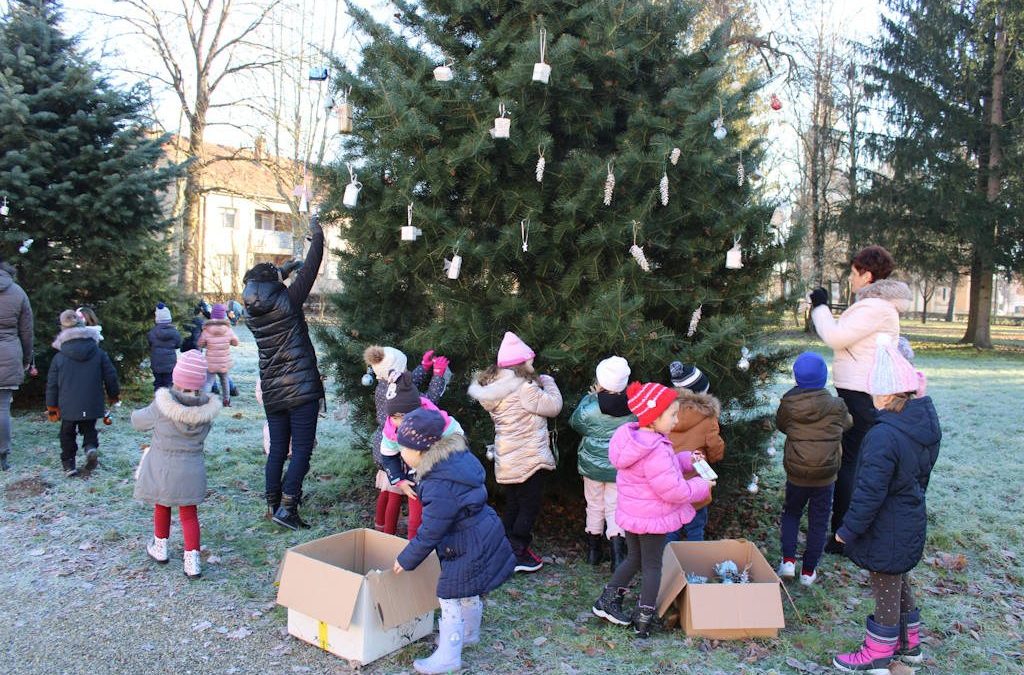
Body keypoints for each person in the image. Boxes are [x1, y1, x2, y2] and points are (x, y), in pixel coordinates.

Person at [832, 334, 940, 672]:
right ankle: (910, 644)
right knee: (897, 577)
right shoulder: (923, 422)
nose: (871, 399)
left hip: (886, 525)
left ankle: (877, 652)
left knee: (885, 588)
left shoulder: (882, 435)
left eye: (874, 392)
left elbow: (869, 492)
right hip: (909, 515)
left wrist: (847, 530)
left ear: (888, 393)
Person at [391, 408, 516, 675]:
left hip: (466, 544)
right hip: (481, 532)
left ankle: (449, 655)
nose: (401, 454)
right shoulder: (455, 459)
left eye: (403, 449)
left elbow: (430, 531)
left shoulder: (438, 484)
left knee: (449, 596)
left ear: (421, 450)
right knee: (468, 590)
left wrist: (406, 558)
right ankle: (469, 633)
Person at [809, 245, 912, 554]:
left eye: (853, 274)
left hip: (862, 392)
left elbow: (837, 336)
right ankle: (853, 528)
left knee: (853, 463)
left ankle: (844, 535)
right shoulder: (876, 305)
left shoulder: (875, 307)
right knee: (857, 459)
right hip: (861, 390)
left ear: (867, 275)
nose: (850, 279)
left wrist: (820, 306)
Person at [591, 381, 713, 638]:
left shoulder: (638, 440)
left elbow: (664, 469)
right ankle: (643, 618)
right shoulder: (655, 449)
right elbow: (674, 490)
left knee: (634, 558)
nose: (676, 419)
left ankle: (607, 600)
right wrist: (702, 485)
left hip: (634, 515)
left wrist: (687, 459)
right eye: (672, 415)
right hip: (652, 518)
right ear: (653, 417)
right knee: (652, 567)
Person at [243, 214, 325, 530]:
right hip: (301, 388)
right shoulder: (289, 300)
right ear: (275, 283)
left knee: (278, 448)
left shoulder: (250, 310)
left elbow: (265, 284)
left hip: (272, 389)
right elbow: (312, 267)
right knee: (301, 449)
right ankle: (289, 508)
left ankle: (273, 504)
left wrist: (281, 273)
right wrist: (317, 235)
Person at [468, 331, 562, 573]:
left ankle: (503, 546)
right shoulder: (525, 389)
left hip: (507, 456)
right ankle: (517, 550)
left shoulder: (493, 390)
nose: (533, 365)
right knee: (528, 506)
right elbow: (553, 407)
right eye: (530, 361)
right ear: (521, 364)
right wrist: (549, 382)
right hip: (529, 457)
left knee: (513, 504)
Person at [132, 350, 222, 579]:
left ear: (176, 379)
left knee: (161, 506)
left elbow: (138, 422)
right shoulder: (206, 412)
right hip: (192, 471)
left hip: (163, 470)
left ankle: (160, 548)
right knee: (189, 515)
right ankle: (192, 561)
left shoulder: (162, 405)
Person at [775, 352, 852, 586]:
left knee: (792, 512)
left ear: (797, 378)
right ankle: (808, 572)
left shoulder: (788, 404)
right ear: (823, 378)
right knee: (819, 521)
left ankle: (788, 561)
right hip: (826, 475)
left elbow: (782, 425)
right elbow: (848, 424)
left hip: (797, 472)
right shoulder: (836, 405)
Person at [364, 346, 448, 535]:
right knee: (395, 494)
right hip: (396, 445)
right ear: (396, 372)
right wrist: (437, 376)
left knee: (386, 491)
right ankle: (388, 534)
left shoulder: (385, 384)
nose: (408, 372)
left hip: (383, 441)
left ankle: (380, 528)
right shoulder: (399, 395)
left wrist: (424, 367)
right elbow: (428, 402)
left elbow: (408, 381)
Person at [570, 356, 634, 570]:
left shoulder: (590, 407)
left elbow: (575, 423)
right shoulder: (633, 408)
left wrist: (589, 399)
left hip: (592, 466)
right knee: (616, 507)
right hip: (619, 467)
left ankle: (593, 553)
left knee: (594, 505)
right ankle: (617, 556)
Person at [379, 368, 455, 540]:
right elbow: (388, 456)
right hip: (415, 481)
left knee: (441, 520)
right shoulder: (392, 429)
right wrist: (399, 480)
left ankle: (440, 555)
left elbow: (458, 442)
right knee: (415, 522)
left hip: (443, 479)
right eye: (395, 417)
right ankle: (414, 554)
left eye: (403, 416)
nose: (399, 422)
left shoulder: (437, 421)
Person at [46, 310, 120, 477]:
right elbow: (111, 375)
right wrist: (113, 395)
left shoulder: (59, 357)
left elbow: (52, 384)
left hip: (68, 405)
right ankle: (90, 447)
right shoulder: (98, 353)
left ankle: (68, 464)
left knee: (67, 434)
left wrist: (52, 406)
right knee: (89, 428)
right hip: (92, 402)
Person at [666, 362, 725, 542]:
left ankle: (668, 565)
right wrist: (714, 457)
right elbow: (715, 449)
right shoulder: (708, 417)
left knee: (670, 529)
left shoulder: (663, 413)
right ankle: (694, 564)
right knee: (695, 528)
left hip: (669, 483)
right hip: (696, 483)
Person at [0, 259, 33, 471]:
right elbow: (27, 331)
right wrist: (27, 359)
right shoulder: (18, 292)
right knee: (2, 407)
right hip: (9, 353)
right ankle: (2, 455)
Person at [198, 303, 239, 407]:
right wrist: (228, 342)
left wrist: (207, 344)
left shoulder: (207, 329)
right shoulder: (228, 329)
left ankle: (203, 401)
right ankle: (226, 401)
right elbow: (235, 342)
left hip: (211, 362)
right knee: (225, 381)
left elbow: (200, 343)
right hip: (223, 362)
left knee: (208, 382)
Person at [148, 303, 181, 391]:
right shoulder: (175, 332)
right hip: (170, 363)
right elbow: (178, 345)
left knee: (158, 383)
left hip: (156, 362)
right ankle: (168, 402)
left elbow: (150, 344)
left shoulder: (152, 332)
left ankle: (157, 401)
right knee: (169, 383)